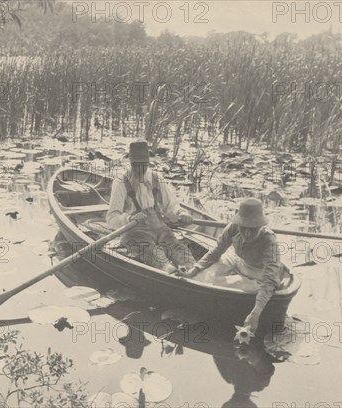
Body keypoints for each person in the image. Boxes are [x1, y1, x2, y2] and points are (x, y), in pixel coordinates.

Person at [179, 198, 291, 334]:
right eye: (244, 228)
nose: (247, 234)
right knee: (204, 275)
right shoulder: (233, 227)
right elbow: (216, 251)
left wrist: (255, 313)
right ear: (239, 223)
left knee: (234, 285)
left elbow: (270, 279)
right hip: (238, 260)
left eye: (253, 229)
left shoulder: (269, 241)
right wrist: (194, 269)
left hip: (258, 272)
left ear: (260, 226)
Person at [106, 140, 195, 273]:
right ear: (130, 162)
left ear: (148, 161)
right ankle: (170, 272)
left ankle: (193, 269)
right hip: (135, 231)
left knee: (178, 248)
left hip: (159, 227)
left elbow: (171, 207)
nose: (140, 168)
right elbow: (112, 219)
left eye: (144, 164)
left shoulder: (157, 178)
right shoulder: (121, 182)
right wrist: (130, 218)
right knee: (152, 251)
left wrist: (181, 213)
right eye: (136, 164)